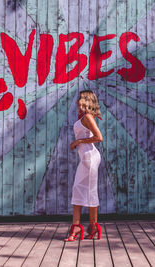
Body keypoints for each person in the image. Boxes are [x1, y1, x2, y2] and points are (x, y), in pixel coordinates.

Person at [65, 90, 103, 242]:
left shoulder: (87, 117)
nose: (77, 102)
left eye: (79, 99)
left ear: (85, 101)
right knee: (79, 190)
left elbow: (99, 137)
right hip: (86, 158)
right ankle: (83, 226)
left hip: (90, 157)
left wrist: (78, 142)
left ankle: (86, 227)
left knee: (89, 192)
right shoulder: (84, 117)